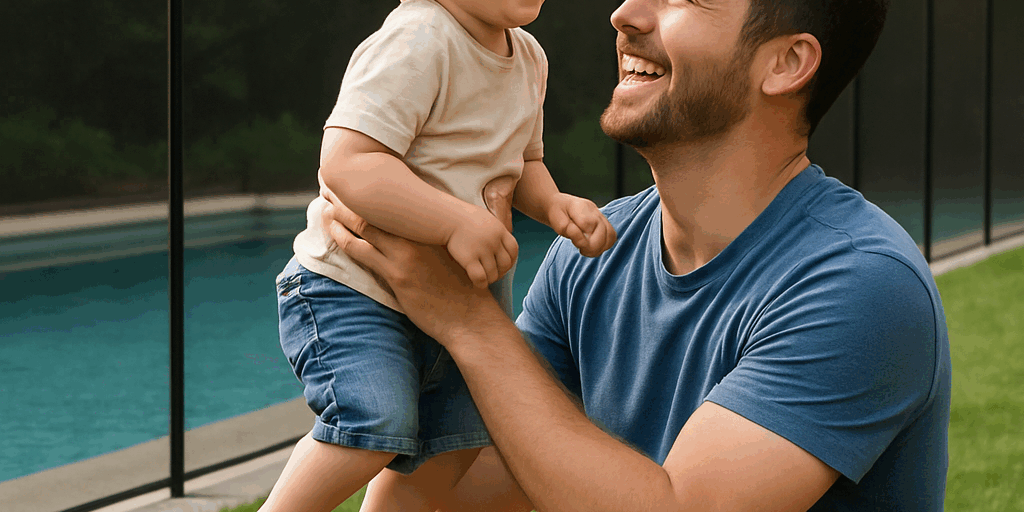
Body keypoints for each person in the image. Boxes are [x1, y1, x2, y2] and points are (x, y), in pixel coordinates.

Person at [321, 0, 953, 510]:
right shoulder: (591, 256)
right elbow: (467, 489)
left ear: (786, 62)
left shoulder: (859, 283)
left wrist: (466, 320)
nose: (625, 13)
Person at [264, 0, 618, 511]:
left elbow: (522, 161)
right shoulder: (420, 38)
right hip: (355, 288)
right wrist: (453, 221)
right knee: (371, 422)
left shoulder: (529, 55)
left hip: (457, 301)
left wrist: (554, 204)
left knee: (460, 440)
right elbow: (349, 159)